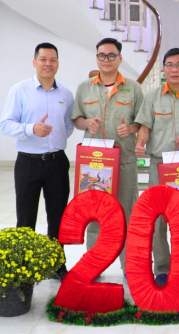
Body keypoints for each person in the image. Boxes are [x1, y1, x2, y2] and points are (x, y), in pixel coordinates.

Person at [0, 42, 74, 281]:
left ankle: (56, 264)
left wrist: (54, 141)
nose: (48, 64)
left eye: (53, 60)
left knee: (58, 216)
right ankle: (24, 267)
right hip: (28, 163)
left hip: (57, 163)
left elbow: (68, 125)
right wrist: (32, 129)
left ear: (58, 64)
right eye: (43, 59)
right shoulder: (19, 90)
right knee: (26, 217)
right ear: (34, 62)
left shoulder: (66, 94)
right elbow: (6, 124)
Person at [71, 38, 144, 276]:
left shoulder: (133, 88)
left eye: (112, 55)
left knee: (126, 214)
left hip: (124, 162)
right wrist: (86, 123)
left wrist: (130, 128)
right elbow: (77, 119)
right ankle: (94, 265)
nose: (106, 59)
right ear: (96, 58)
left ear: (120, 58)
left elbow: (142, 122)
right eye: (102, 55)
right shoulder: (85, 88)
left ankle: (129, 266)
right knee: (95, 215)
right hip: (94, 165)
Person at [134, 48, 179, 287]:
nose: (175, 69)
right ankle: (162, 268)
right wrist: (140, 143)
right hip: (160, 165)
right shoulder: (152, 97)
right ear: (163, 68)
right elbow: (145, 127)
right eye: (170, 65)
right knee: (159, 219)